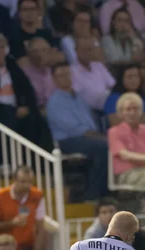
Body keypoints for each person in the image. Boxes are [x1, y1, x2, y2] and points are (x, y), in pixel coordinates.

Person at [0, 33, 45, 147]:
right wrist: (12, 111)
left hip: (17, 110)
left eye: (2, 47)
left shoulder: (11, 65)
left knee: (37, 120)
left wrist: (27, 106)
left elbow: (27, 88)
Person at [46, 62, 108, 201]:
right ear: (54, 79)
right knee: (103, 147)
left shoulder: (79, 97)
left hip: (87, 137)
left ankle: (106, 190)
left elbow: (90, 122)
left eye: (67, 74)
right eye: (60, 76)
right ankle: (94, 194)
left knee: (110, 144)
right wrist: (100, 137)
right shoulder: (55, 102)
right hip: (68, 140)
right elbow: (76, 129)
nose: (65, 78)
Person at [0, 166, 45, 250]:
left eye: (29, 182)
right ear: (14, 180)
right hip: (1, 249)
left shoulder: (37, 196)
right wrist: (12, 223)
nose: (27, 186)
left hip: (25, 249)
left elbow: (40, 228)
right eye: (22, 182)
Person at [108, 93, 145, 198]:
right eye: (128, 109)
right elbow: (124, 155)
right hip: (128, 174)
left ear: (141, 112)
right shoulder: (114, 132)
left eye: (136, 109)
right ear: (121, 113)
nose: (132, 113)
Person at [104, 64, 145, 129]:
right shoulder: (113, 99)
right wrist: (143, 120)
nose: (133, 80)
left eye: (136, 77)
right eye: (129, 77)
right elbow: (116, 123)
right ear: (121, 79)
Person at [71, 37, 115, 112]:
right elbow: (78, 96)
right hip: (90, 110)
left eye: (90, 50)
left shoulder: (98, 65)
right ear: (76, 51)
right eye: (85, 50)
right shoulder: (72, 71)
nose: (88, 53)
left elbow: (112, 85)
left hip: (108, 103)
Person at [19, 37, 56, 113]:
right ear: (28, 53)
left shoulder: (53, 71)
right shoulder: (23, 73)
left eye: (44, 50)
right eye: (36, 51)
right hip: (37, 112)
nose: (40, 54)